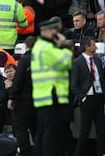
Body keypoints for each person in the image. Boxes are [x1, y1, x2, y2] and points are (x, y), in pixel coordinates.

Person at [31, 19, 73, 156]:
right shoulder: (47, 48)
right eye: (54, 31)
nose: (57, 33)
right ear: (48, 31)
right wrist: (63, 46)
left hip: (44, 95)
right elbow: (66, 62)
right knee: (50, 134)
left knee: (43, 131)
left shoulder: (39, 46)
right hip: (50, 95)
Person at [71, 36, 105, 156]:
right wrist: (83, 98)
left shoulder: (98, 60)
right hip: (87, 99)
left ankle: (101, 153)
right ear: (87, 47)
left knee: (102, 130)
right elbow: (74, 85)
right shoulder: (77, 62)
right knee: (84, 131)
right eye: (93, 45)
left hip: (99, 98)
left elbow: (102, 79)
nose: (96, 47)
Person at [8, 36, 36, 156]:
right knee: (37, 129)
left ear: (26, 46)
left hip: (23, 101)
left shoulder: (24, 60)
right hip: (39, 100)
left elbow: (18, 80)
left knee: (21, 129)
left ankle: (25, 152)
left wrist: (12, 97)